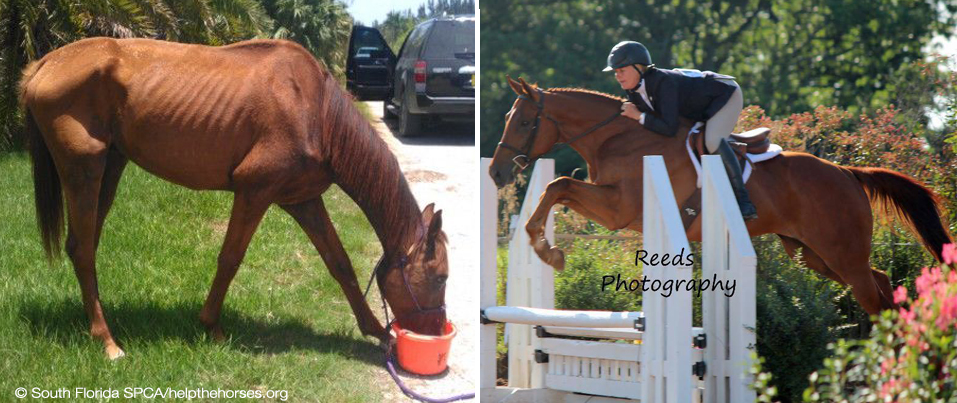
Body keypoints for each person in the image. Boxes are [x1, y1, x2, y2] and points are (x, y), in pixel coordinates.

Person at [604, 40, 757, 220]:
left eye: (622, 71)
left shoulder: (663, 82)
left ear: (639, 68)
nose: (618, 76)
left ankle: (744, 201)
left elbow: (669, 128)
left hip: (724, 95)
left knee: (712, 140)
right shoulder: (633, 90)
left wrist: (639, 116)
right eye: (616, 72)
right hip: (698, 107)